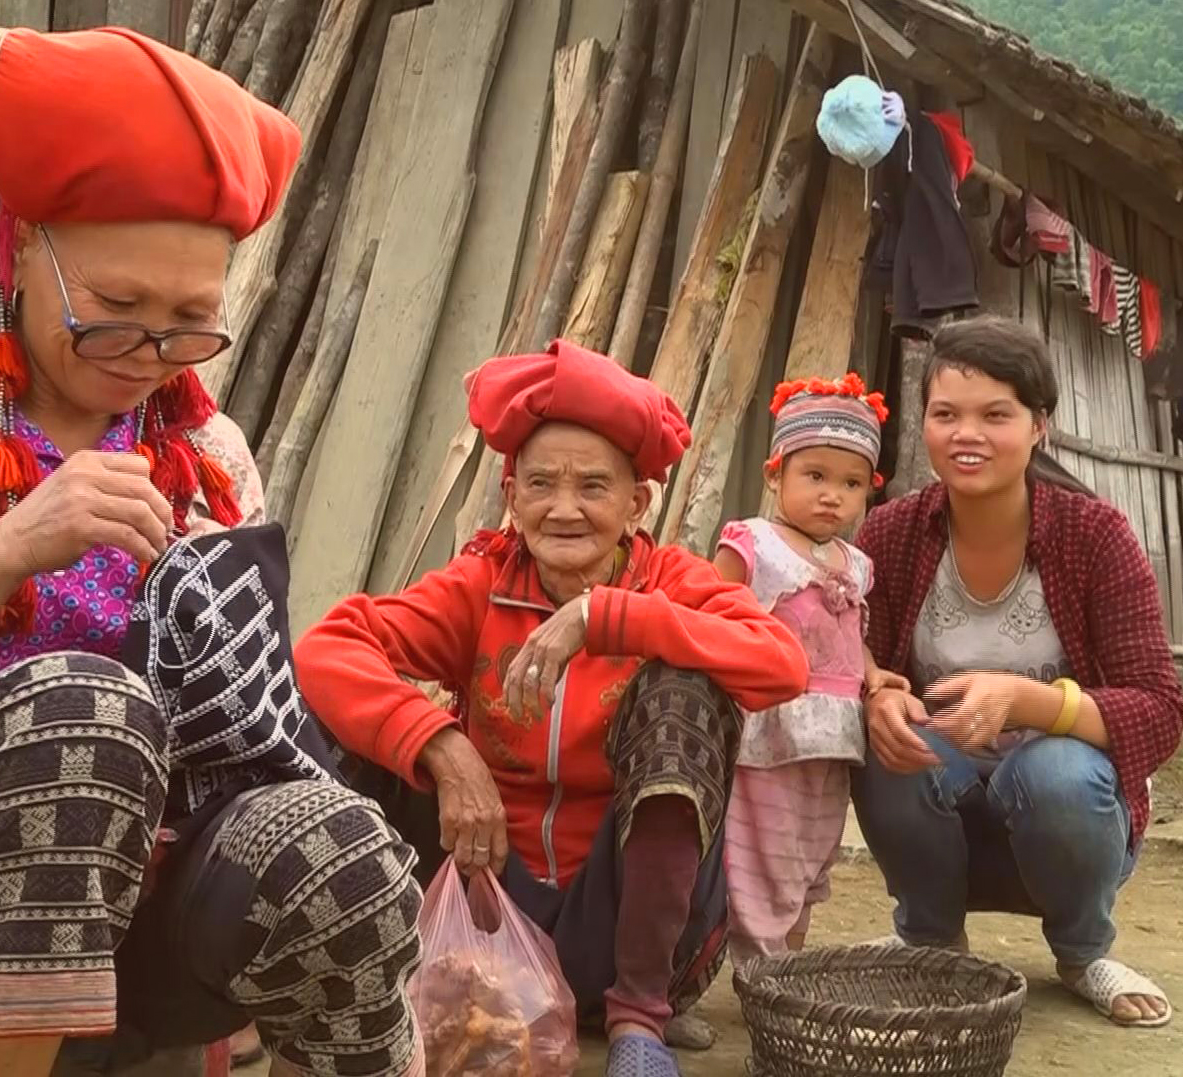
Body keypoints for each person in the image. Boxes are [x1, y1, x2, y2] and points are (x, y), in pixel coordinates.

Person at [0, 16, 424, 1077]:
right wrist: (12, 544)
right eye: (114, 309)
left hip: (144, 923)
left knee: (333, 841)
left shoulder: (203, 451)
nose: (149, 353)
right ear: (17, 248)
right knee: (79, 707)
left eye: (189, 320)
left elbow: (252, 734)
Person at [295, 340, 810, 1077]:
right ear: (512, 495)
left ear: (636, 503)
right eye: (540, 484)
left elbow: (781, 663)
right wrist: (442, 745)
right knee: (335, 728)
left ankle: (638, 1021)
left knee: (684, 695)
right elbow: (327, 646)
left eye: (593, 487)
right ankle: (357, 977)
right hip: (489, 911)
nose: (564, 508)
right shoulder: (481, 585)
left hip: (630, 930)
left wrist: (610, 617)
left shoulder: (670, 579)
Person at [854, 315, 1181, 1029]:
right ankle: (931, 937)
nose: (966, 433)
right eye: (946, 414)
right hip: (943, 814)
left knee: (1055, 769)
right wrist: (874, 690)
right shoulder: (892, 532)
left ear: (1040, 426)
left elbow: (1160, 709)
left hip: (1069, 823)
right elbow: (851, 652)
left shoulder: (1096, 536)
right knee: (884, 746)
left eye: (995, 414)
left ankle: (1083, 947)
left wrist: (1030, 701)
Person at [713, 374, 904, 961]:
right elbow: (710, 613)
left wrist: (873, 672)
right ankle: (759, 966)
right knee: (763, 853)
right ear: (776, 475)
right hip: (771, 733)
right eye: (814, 476)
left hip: (833, 740)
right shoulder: (756, 544)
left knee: (814, 850)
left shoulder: (857, 564)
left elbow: (849, 635)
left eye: (851, 483)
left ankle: (789, 963)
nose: (832, 496)